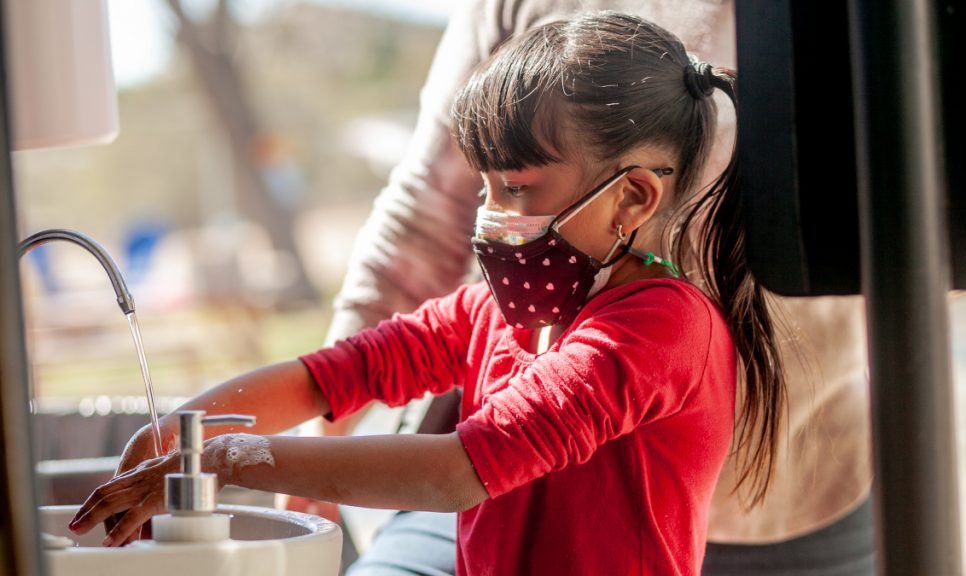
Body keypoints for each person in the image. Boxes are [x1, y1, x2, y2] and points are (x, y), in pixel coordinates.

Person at [69, 12, 788, 575]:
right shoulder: (494, 312)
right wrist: (176, 434)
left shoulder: (660, 328)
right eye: (486, 186)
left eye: (517, 187)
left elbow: (455, 473)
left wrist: (223, 460)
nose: (489, 213)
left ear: (631, 197)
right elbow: (335, 376)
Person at [321, 1, 874, 576]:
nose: (495, 206)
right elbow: (425, 220)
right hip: (504, 480)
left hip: (786, 500)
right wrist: (325, 440)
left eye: (513, 187)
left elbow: (924, 240)